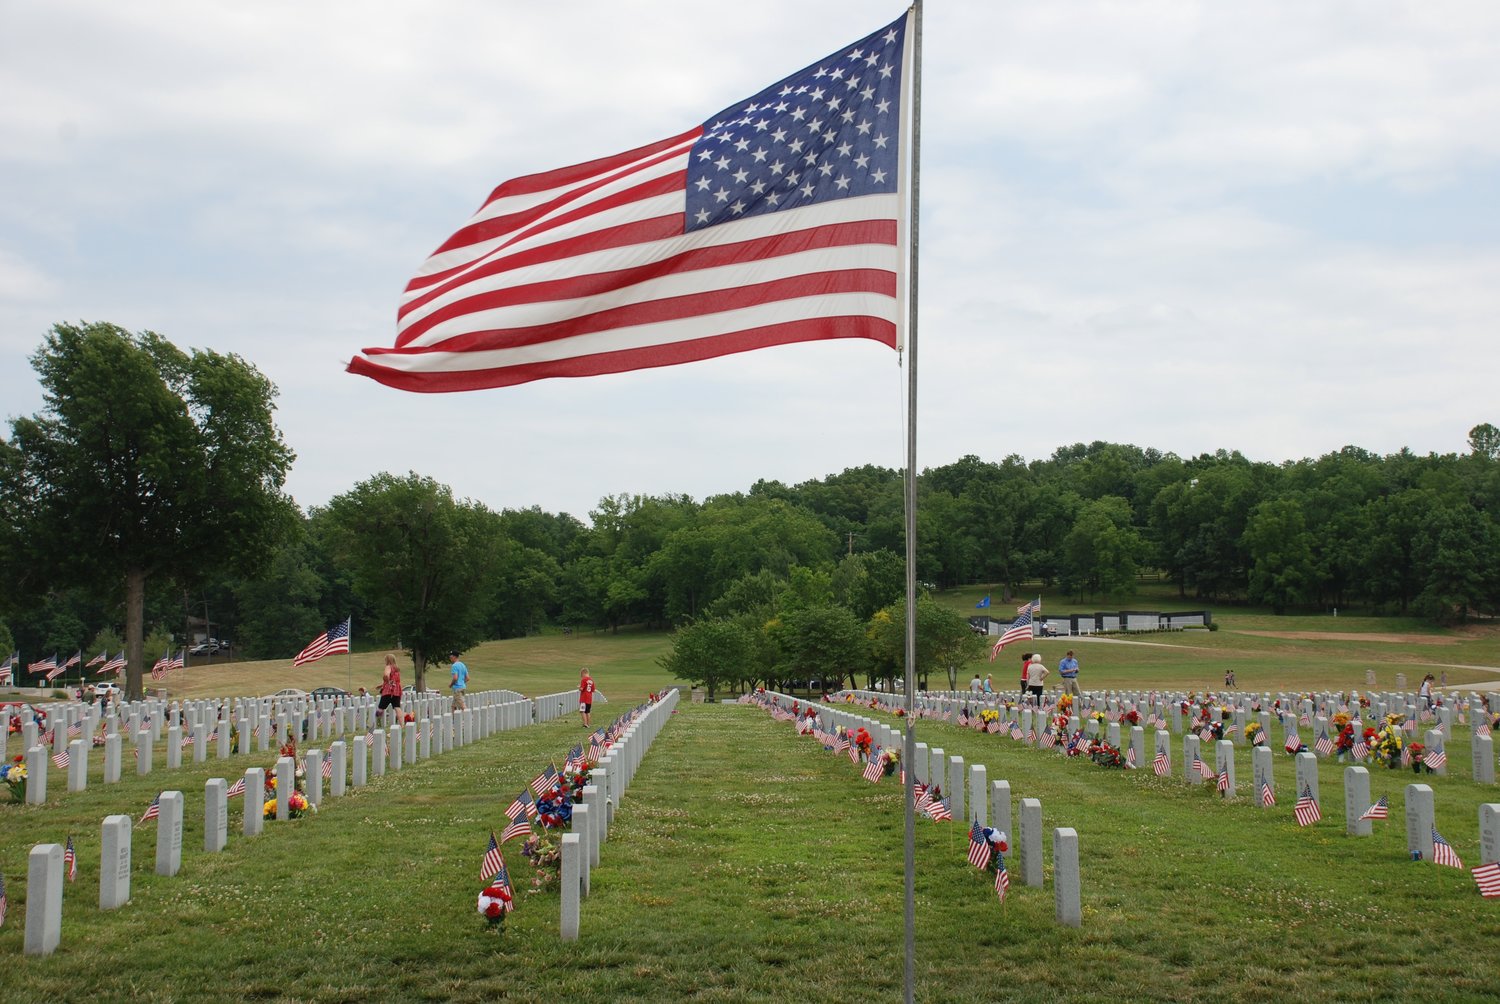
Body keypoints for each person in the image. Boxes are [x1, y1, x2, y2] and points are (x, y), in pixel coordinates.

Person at [377, 653, 403, 724]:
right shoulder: (397, 669)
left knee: (380, 707)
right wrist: (382, 685)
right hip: (397, 690)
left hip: (389, 690)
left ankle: (375, 723)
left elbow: (386, 675)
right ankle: (402, 724)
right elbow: (395, 680)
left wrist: (387, 680)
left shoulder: (388, 667)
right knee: (397, 707)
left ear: (387, 660)